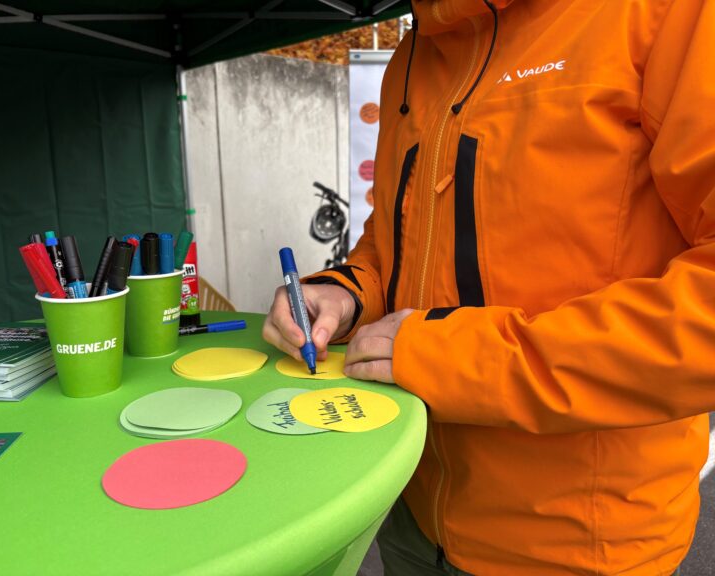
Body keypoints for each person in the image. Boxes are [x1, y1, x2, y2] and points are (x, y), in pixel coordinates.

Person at [263, 0, 715, 574]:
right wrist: (346, 290)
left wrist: (463, 360)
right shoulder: (415, 49)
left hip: (575, 545)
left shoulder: (669, 15)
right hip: (406, 505)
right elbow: (394, 243)